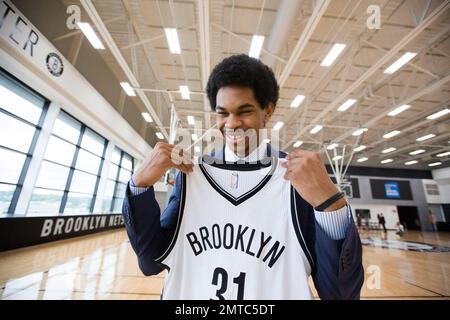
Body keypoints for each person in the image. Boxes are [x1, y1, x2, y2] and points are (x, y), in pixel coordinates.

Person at [122, 54, 363, 299]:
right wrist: (139, 185)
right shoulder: (192, 175)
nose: (232, 123)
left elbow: (339, 294)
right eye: (222, 113)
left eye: (244, 111)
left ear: (267, 111)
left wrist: (332, 205)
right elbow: (150, 262)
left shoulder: (296, 181)